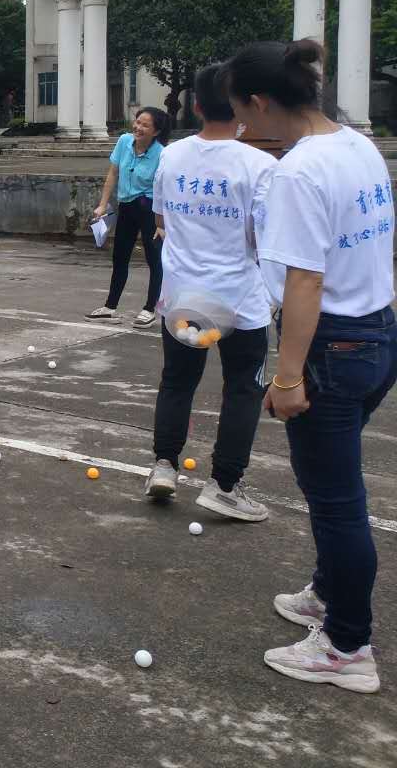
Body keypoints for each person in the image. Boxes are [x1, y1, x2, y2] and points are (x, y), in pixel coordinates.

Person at [229, 39, 395, 694]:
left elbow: (305, 281)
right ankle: (327, 593)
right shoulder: (357, 145)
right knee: (336, 486)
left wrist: (289, 376)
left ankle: (347, 646)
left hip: (334, 346)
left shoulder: (298, 173)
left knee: (336, 503)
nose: (243, 127)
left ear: (261, 102)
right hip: (377, 332)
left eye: (243, 112)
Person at [144, 64, 275, 522]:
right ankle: (224, 484)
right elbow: (265, 237)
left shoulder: (172, 156)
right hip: (240, 299)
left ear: (196, 106)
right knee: (242, 389)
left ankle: (164, 465)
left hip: (182, 295)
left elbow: (161, 219)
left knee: (178, 380)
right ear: (243, 107)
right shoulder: (259, 165)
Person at [87, 107, 171, 327]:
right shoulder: (124, 141)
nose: (138, 127)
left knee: (154, 258)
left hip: (150, 208)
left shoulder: (162, 154)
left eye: (145, 125)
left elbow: (165, 188)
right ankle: (110, 307)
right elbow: (113, 173)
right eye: (137, 122)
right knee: (120, 256)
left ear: (156, 131)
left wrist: (162, 222)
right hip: (126, 205)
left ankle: (150, 309)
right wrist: (103, 205)